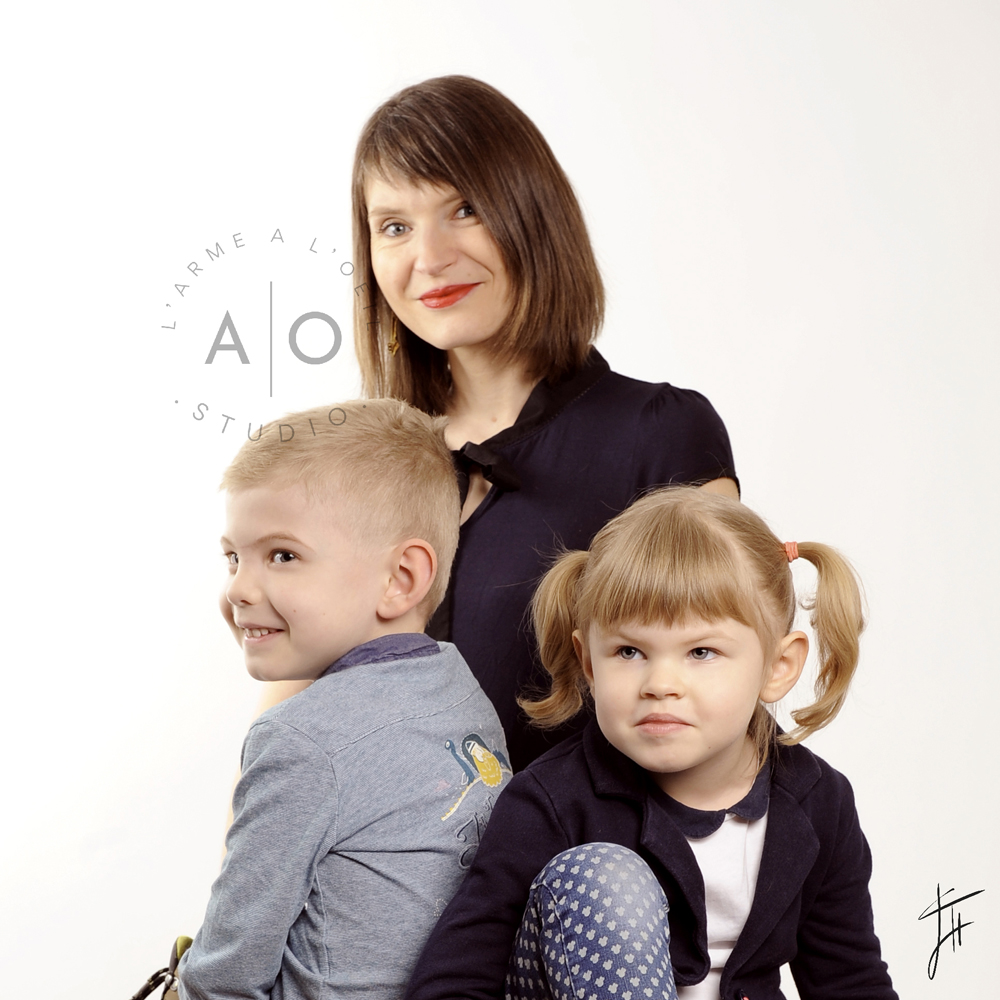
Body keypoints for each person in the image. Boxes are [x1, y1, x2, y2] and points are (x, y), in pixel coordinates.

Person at [344, 75, 740, 770]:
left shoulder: (658, 436)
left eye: (464, 209)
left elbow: (715, 713)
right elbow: (286, 719)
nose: (429, 259)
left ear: (532, 211)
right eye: (395, 226)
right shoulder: (356, 467)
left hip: (585, 869)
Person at [405, 487, 897, 1000]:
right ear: (589, 663)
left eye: (701, 651)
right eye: (630, 651)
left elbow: (850, 980)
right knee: (604, 879)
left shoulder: (820, 802)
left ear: (778, 667)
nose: (661, 683)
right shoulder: (549, 802)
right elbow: (456, 980)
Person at [178, 400, 510, 1000]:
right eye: (233, 556)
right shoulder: (461, 693)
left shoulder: (302, 740)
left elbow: (225, 976)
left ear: (401, 579)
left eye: (282, 556)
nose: (238, 589)